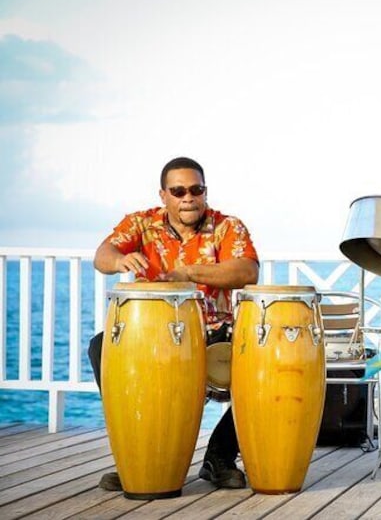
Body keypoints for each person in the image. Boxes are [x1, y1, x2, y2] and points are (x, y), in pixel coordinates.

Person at [88, 156, 259, 490]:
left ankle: (219, 458)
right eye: (178, 190)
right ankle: (138, 457)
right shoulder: (140, 223)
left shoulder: (227, 226)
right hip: (150, 336)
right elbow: (101, 255)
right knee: (100, 348)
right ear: (163, 195)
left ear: (205, 192)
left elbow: (247, 271)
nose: (188, 197)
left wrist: (189, 272)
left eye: (196, 189)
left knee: (258, 361)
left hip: (212, 332)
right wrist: (121, 259)